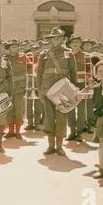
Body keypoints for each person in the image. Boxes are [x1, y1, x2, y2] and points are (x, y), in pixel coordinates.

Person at [37, 28, 77, 156]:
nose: (57, 40)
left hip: (63, 90)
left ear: (63, 39)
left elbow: (73, 73)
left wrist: (74, 90)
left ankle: (59, 146)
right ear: (51, 40)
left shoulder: (69, 54)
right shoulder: (44, 55)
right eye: (54, 38)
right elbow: (39, 73)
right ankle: (50, 146)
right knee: (49, 118)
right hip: (47, 89)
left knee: (61, 118)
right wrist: (39, 90)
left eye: (59, 38)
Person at [66, 34, 87, 141]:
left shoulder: (85, 56)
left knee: (81, 110)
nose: (75, 44)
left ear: (80, 43)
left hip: (81, 86)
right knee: (70, 109)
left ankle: (79, 132)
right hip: (69, 86)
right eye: (73, 42)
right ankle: (72, 131)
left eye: (77, 42)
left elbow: (88, 72)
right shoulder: (66, 55)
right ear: (70, 44)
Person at [5, 39, 26, 139]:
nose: (14, 49)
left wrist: (20, 78)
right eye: (12, 47)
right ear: (9, 48)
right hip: (8, 88)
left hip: (19, 88)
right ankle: (10, 131)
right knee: (9, 110)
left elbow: (30, 71)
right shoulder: (5, 58)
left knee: (18, 110)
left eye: (16, 46)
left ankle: (18, 131)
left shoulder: (24, 57)